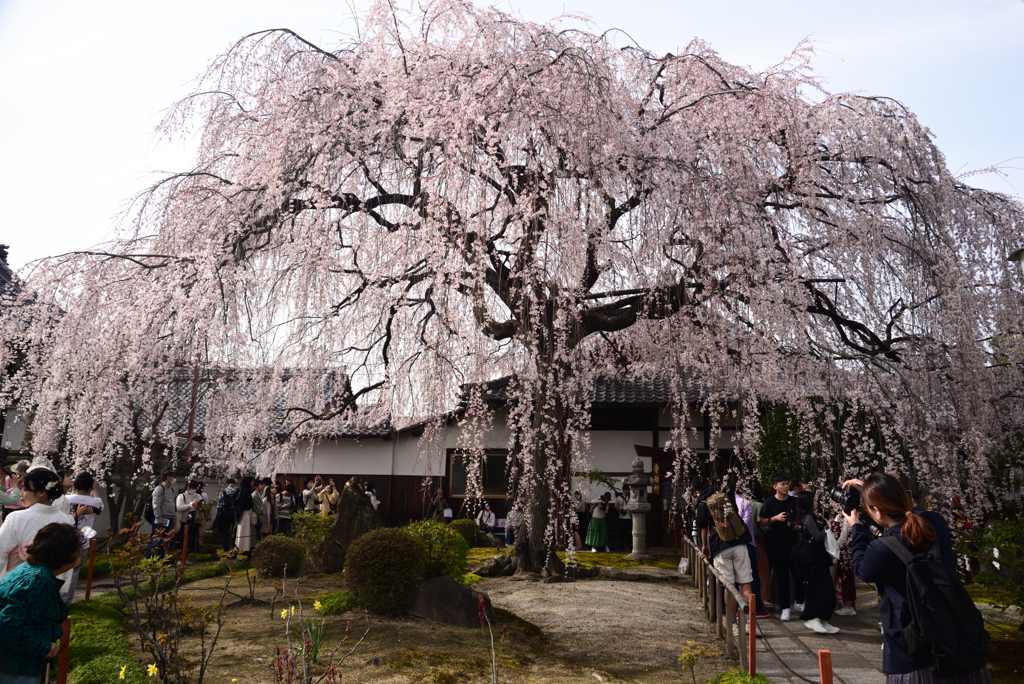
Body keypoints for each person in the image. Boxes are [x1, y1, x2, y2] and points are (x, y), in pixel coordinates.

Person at [844, 473, 991, 684]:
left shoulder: (882, 549)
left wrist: (856, 525)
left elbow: (861, 568)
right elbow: (912, 514)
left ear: (876, 511)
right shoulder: (935, 523)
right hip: (960, 644)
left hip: (913, 653)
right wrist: (873, 491)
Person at [0, 522, 81, 684]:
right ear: (65, 557)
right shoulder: (38, 579)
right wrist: (43, 646)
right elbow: (8, 623)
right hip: (17, 667)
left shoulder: (29, 569)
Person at [0, 470, 76, 601]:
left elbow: (0, 553)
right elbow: (68, 563)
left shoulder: (16, 518)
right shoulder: (66, 520)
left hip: (15, 587)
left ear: (41, 492)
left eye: (25, 489)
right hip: (49, 589)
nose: (21, 494)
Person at [695, 478, 753, 604]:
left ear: (697, 490)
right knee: (745, 583)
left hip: (720, 547)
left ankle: (732, 622)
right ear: (709, 481)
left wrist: (704, 546)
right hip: (739, 542)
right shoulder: (726, 493)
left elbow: (703, 526)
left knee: (729, 586)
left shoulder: (702, 503)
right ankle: (749, 619)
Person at [793, 491, 838, 633]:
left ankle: (824, 619)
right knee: (821, 590)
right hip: (814, 561)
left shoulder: (808, 518)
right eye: (814, 500)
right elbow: (818, 537)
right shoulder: (808, 518)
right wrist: (827, 529)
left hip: (818, 559)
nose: (816, 503)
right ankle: (813, 618)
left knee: (827, 590)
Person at [760, 472, 802, 621]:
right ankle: (785, 607)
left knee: (798, 573)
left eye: (786, 483)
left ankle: (799, 602)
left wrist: (799, 527)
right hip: (777, 543)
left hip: (794, 542)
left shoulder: (794, 501)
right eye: (782, 484)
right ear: (775, 486)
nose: (785, 486)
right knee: (782, 576)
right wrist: (776, 518)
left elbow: (803, 517)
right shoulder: (770, 502)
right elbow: (763, 522)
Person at [62, 473, 104, 602]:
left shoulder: (65, 499)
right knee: (74, 571)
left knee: (59, 568)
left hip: (64, 538)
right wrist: (95, 489)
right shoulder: (95, 502)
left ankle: (56, 597)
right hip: (83, 540)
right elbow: (100, 507)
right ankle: (67, 600)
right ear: (91, 485)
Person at [829, 509, 857, 616]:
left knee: (846, 576)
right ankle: (840, 602)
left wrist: (835, 547)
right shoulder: (835, 515)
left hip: (844, 549)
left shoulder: (846, 515)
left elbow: (844, 535)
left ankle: (849, 605)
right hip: (837, 549)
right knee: (839, 577)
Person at [148, 471, 177, 559]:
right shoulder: (160, 489)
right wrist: (158, 517)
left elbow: (172, 504)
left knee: (165, 541)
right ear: (168, 477)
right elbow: (156, 504)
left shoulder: (171, 489)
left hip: (169, 518)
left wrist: (174, 517)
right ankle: (149, 560)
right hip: (161, 518)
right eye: (173, 477)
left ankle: (161, 560)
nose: (174, 479)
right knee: (155, 539)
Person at [173, 481, 203, 558]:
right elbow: (179, 508)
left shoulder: (197, 496)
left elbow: (201, 508)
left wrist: (200, 506)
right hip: (183, 520)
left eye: (195, 488)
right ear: (187, 487)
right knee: (181, 541)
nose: (194, 490)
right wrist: (190, 505)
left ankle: (186, 558)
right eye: (192, 488)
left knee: (191, 541)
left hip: (193, 520)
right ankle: (179, 559)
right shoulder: (181, 496)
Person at [214, 478, 239, 551]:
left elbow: (220, 505)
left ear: (227, 484)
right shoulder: (238, 491)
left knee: (225, 533)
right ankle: (235, 548)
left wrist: (218, 515)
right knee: (236, 532)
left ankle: (225, 550)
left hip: (225, 514)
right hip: (235, 514)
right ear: (235, 484)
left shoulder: (223, 492)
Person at [234, 476, 256, 554]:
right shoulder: (245, 492)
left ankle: (241, 551)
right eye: (252, 481)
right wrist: (238, 517)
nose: (253, 483)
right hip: (245, 514)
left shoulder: (244, 491)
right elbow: (241, 505)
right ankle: (242, 551)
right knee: (244, 532)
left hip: (245, 513)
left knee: (243, 532)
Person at [615, 485, 632, 552]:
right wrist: (621, 510)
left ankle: (631, 546)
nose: (626, 491)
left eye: (627, 489)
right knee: (621, 533)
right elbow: (616, 507)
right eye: (624, 489)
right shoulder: (619, 498)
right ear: (622, 490)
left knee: (630, 533)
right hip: (621, 518)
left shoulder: (632, 497)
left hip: (630, 517)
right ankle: (620, 546)